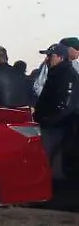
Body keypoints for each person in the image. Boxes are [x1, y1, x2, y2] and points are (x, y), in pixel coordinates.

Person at [33, 43, 78, 180]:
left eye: (49, 56)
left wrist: (49, 120)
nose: (47, 59)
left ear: (60, 57)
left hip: (58, 126)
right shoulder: (54, 73)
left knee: (50, 159)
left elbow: (66, 104)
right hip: (49, 124)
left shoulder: (67, 75)